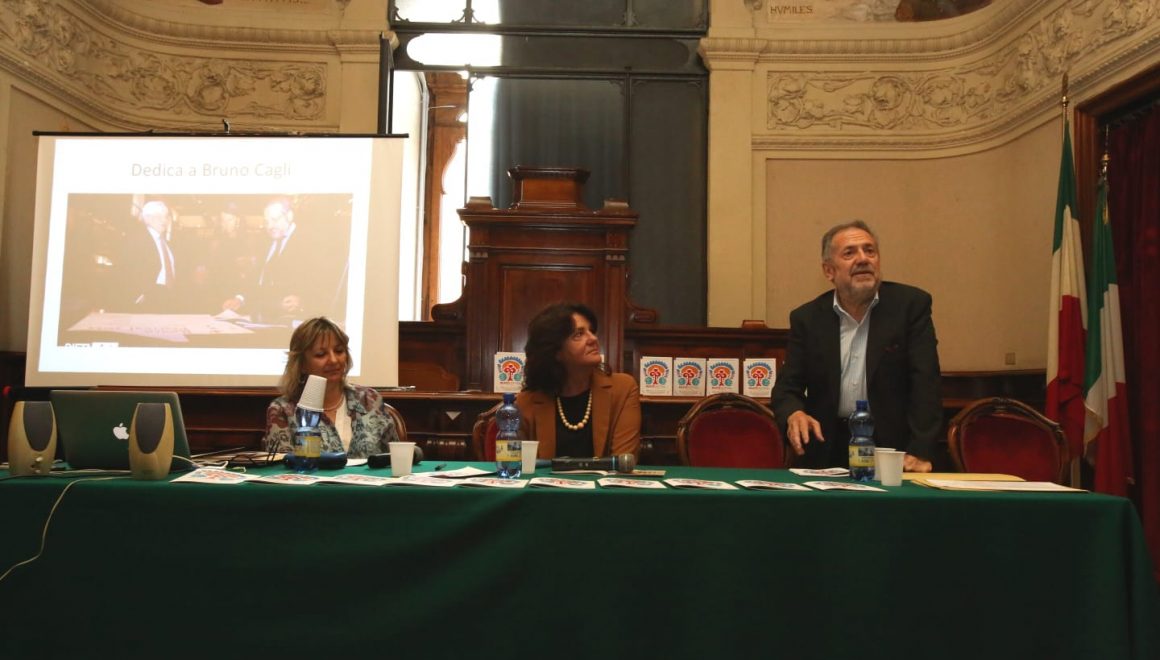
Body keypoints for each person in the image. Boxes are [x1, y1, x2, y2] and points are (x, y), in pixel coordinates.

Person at [771, 220, 941, 472]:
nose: (863, 259)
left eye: (870, 251)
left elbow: (926, 383)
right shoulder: (808, 319)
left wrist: (921, 450)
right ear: (829, 271)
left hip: (893, 450)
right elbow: (786, 389)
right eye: (849, 253)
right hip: (827, 448)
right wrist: (794, 413)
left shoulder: (910, 306)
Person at [516, 302, 641, 459]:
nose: (593, 338)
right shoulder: (526, 401)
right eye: (579, 334)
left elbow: (622, 461)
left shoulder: (623, 389)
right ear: (555, 352)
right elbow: (516, 463)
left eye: (591, 331)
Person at [263, 317, 398, 458]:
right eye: (321, 354)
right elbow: (280, 466)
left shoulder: (369, 400)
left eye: (339, 351)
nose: (333, 360)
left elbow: (394, 458)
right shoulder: (283, 410)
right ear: (301, 364)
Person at [119, 199, 179, 311]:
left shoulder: (168, 243)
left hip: (170, 296)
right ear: (147, 218)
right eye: (159, 216)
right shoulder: (136, 240)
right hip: (149, 298)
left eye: (166, 216)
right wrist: (139, 295)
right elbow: (127, 269)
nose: (164, 220)